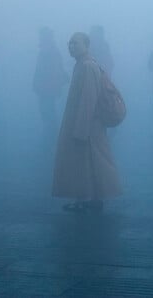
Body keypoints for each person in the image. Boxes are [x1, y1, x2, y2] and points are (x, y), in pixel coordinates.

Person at [53, 32, 121, 213]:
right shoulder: (84, 65)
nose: (71, 47)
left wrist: (81, 128)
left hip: (87, 124)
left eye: (75, 43)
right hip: (90, 124)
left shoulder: (87, 66)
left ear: (86, 45)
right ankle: (94, 197)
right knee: (93, 161)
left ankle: (86, 197)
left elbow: (88, 99)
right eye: (70, 43)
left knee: (86, 161)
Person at [32, 27, 68, 142]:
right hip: (46, 88)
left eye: (41, 35)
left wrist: (40, 85)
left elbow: (47, 71)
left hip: (46, 88)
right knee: (48, 111)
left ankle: (51, 137)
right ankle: (51, 135)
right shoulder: (49, 50)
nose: (40, 37)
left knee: (47, 112)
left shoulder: (49, 51)